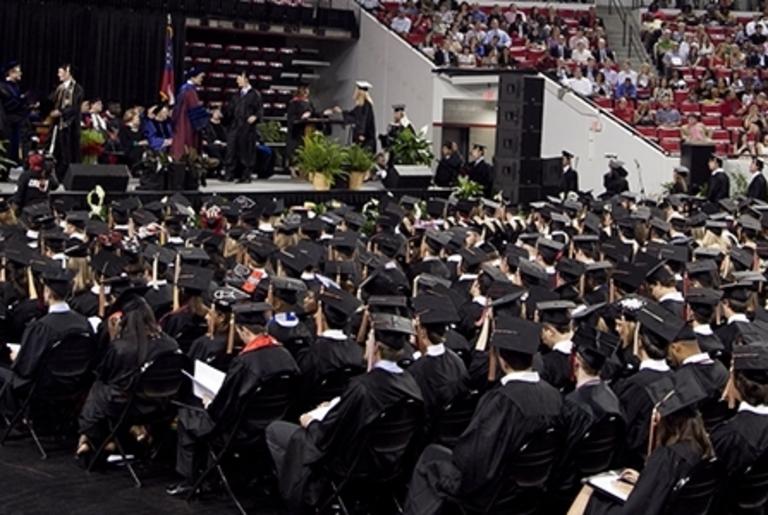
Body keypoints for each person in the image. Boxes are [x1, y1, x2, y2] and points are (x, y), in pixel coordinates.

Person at [402, 317, 562, 515]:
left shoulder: (501, 401)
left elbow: (474, 460)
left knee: (430, 457)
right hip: (528, 490)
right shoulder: (554, 396)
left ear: (501, 359)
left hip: (494, 491)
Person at [265, 314, 423, 511]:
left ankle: (296, 500)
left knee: (277, 431)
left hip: (351, 465)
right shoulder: (412, 385)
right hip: (388, 464)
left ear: (375, 347)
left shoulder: (362, 387)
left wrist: (310, 421)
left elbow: (326, 436)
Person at [167, 302, 300, 496]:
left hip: (241, 430)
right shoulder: (286, 355)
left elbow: (223, 410)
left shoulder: (245, 362)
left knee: (188, 416)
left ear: (243, 329)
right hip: (273, 423)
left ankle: (192, 479)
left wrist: (210, 403)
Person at [569, 369, 714, 515]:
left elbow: (636, 510)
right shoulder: (702, 449)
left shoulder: (666, 457)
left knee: (589, 490)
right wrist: (644, 480)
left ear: (665, 420)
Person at [76, 289, 177, 459]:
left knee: (99, 387)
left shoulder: (122, 347)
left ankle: (90, 436)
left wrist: (114, 339)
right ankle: (126, 433)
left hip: (132, 406)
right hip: (162, 406)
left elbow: (106, 375)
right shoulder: (170, 344)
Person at [0, 266, 92, 417]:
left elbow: (25, 368)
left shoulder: (41, 327)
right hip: (75, 386)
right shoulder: (83, 324)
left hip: (42, 388)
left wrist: (15, 356)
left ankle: (14, 420)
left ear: (48, 293)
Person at [223, 71, 263, 183]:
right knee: (231, 149)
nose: (237, 81)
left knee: (246, 151)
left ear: (246, 79)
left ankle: (246, 175)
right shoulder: (236, 95)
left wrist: (255, 116)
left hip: (247, 127)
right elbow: (230, 111)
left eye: (239, 78)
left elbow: (259, 110)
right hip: (235, 126)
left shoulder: (255, 94)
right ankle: (229, 174)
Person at [48, 63, 84, 179]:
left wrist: (61, 112)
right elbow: (51, 101)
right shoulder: (60, 88)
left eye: (61, 72)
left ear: (68, 72)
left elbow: (75, 106)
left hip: (70, 125)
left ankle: (68, 176)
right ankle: (58, 176)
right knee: (58, 151)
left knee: (69, 151)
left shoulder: (77, 89)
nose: (59, 75)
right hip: (58, 125)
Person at [171, 67, 208, 161]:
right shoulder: (189, 91)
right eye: (200, 77)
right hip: (186, 123)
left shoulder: (185, 90)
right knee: (187, 144)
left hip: (182, 122)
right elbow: (195, 110)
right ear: (193, 77)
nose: (202, 79)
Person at [0, 61, 30, 166]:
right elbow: (9, 105)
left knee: (14, 147)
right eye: (18, 72)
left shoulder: (15, 87)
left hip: (16, 123)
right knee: (7, 147)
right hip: (7, 123)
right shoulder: (3, 87)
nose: (20, 74)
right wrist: (21, 100)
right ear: (11, 73)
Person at [336, 81, 376, 154]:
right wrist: (341, 111)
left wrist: (361, 133)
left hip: (365, 138)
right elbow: (352, 115)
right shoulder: (359, 106)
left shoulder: (366, 106)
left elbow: (363, 120)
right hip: (360, 137)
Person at [285, 83, 315, 165]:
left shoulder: (309, 103)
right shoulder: (294, 103)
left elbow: (314, 113)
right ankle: (293, 167)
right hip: (297, 131)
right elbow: (291, 118)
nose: (307, 91)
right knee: (295, 149)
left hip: (307, 130)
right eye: (305, 89)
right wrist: (301, 117)